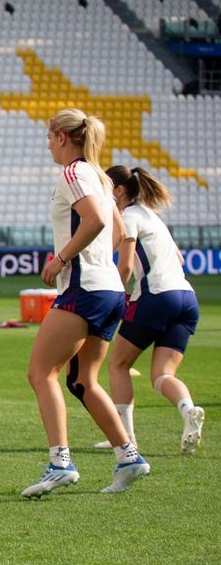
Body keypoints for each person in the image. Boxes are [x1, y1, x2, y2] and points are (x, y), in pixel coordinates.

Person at [21, 108, 149, 499]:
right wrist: (95, 265)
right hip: (109, 289)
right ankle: (128, 456)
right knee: (82, 380)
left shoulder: (75, 173)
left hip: (84, 289)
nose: (46, 143)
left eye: (48, 135)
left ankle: (60, 462)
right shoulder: (100, 176)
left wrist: (63, 260)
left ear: (61, 135)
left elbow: (93, 220)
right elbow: (119, 230)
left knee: (41, 373)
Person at [92, 166, 204, 455]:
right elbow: (178, 259)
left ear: (118, 191)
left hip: (156, 296)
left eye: (106, 188)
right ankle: (188, 409)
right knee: (161, 375)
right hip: (187, 298)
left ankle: (125, 437)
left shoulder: (128, 217)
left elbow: (126, 266)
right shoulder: (152, 217)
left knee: (118, 364)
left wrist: (110, 301)